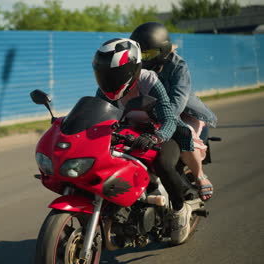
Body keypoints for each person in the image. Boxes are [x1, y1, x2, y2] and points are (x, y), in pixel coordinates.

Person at [93, 38, 192, 244]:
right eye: (104, 75)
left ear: (132, 70)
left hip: (163, 132)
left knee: (163, 163)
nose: (108, 80)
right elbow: (97, 117)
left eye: (114, 74)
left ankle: (180, 210)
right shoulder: (105, 90)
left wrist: (156, 137)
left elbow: (168, 118)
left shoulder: (149, 81)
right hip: (128, 134)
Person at [130, 22, 218, 201]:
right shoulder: (138, 66)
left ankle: (200, 176)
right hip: (153, 111)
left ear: (163, 50)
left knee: (186, 134)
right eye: (141, 54)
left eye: (149, 54)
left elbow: (178, 100)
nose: (144, 59)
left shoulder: (178, 66)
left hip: (184, 111)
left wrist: (165, 119)